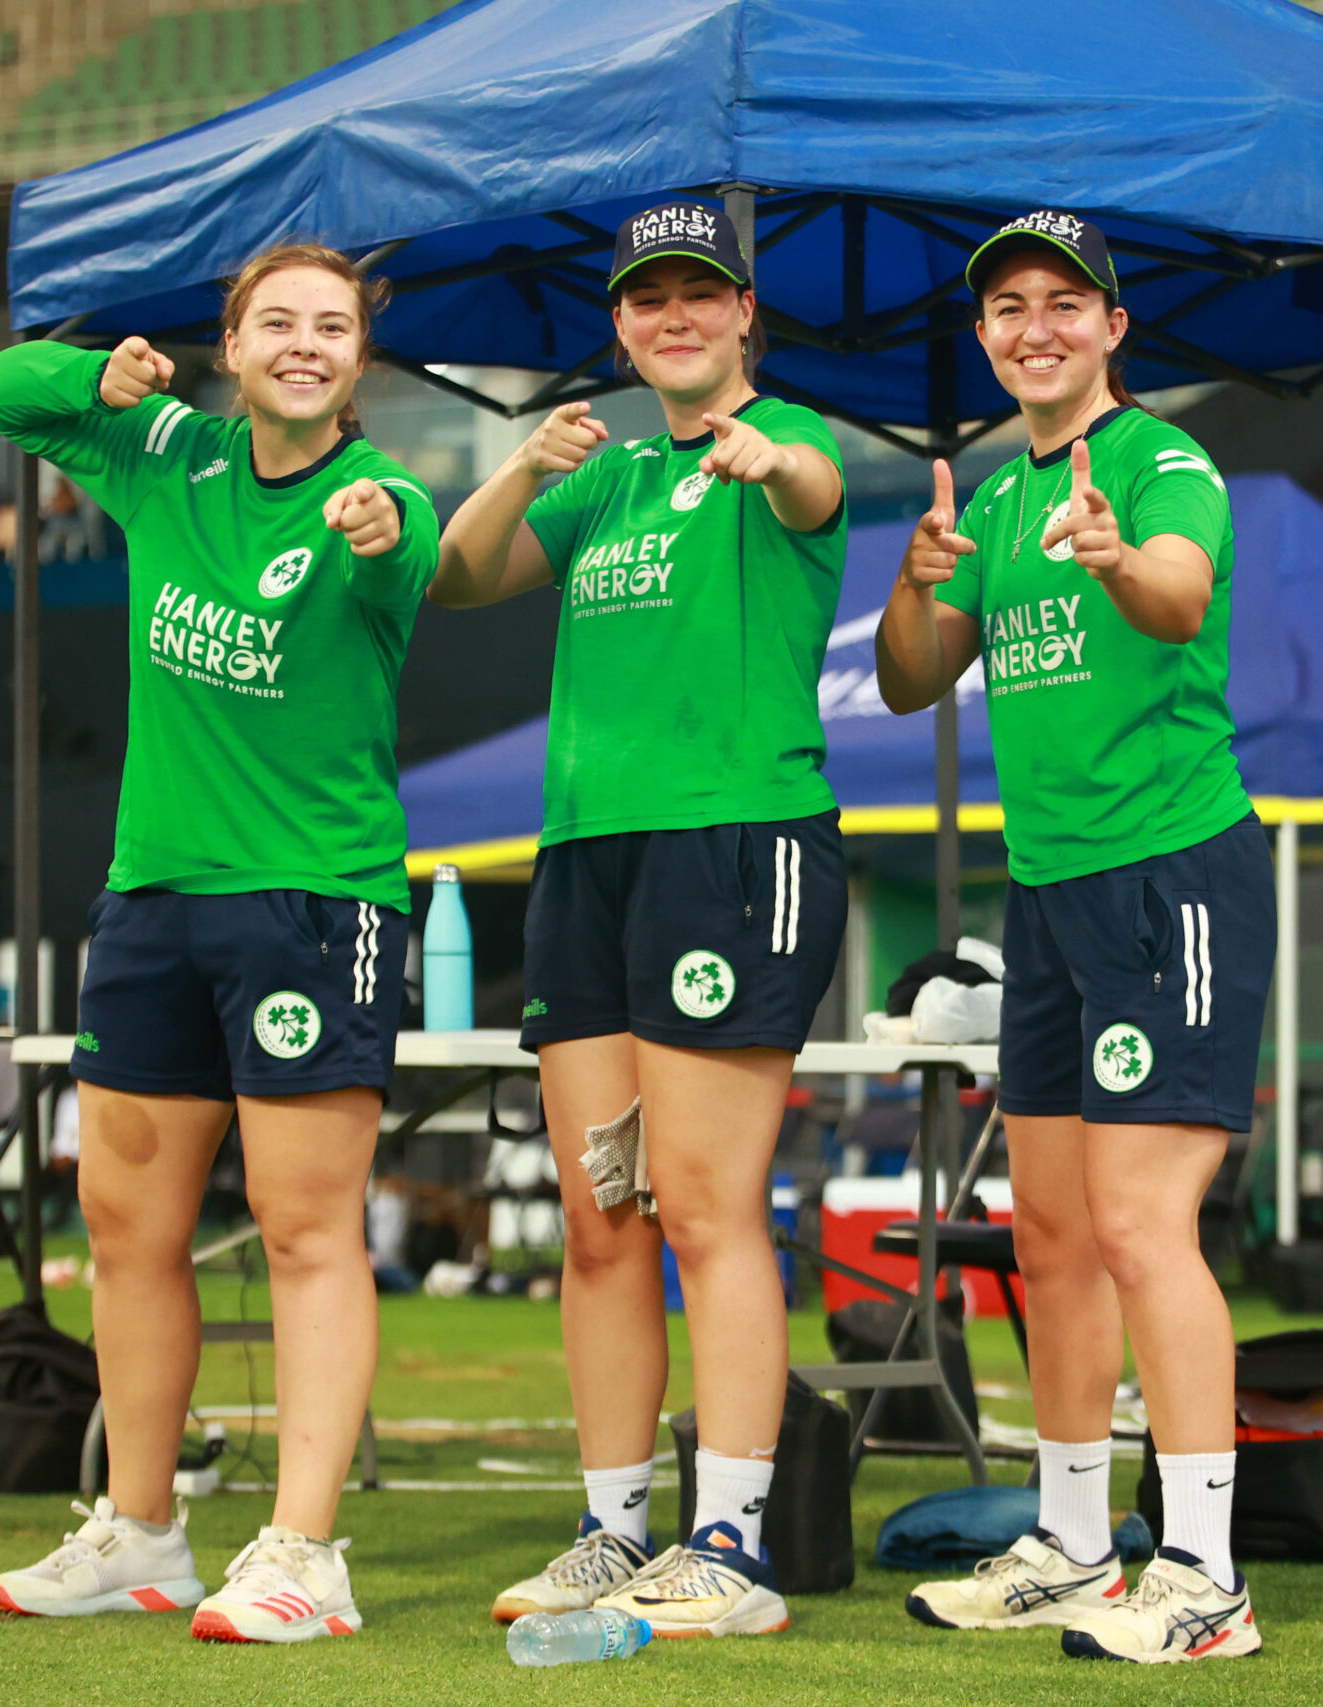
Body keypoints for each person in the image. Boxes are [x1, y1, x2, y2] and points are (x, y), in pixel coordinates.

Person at [0, 241, 440, 1644]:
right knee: (126, 1229)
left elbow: (402, 560)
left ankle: (304, 1550)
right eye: (277, 323)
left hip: (312, 900)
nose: (305, 344)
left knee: (307, 1232)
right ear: (230, 347)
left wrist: (377, 536)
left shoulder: (388, 500)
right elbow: (5, 391)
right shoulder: (165, 454)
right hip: (152, 896)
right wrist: (93, 370)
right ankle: (145, 1532)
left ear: (360, 360)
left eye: (333, 327)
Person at [432, 201, 848, 1640]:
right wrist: (513, 472)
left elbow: (806, 490)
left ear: (745, 315)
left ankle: (727, 1544)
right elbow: (453, 577)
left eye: (700, 296)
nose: (674, 317)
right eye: (647, 300)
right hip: (584, 858)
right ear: (619, 325)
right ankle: (613, 1529)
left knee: (706, 1209)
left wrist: (762, 454)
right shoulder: (599, 477)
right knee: (602, 1221)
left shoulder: (787, 441)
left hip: (730, 844)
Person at [875, 211, 1273, 1663]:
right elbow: (915, 681)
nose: (1032, 327)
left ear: (1114, 326)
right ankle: (1075, 1540)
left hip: (1170, 881)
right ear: (985, 338)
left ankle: (1207, 1576)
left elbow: (1177, 597)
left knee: (1137, 1224)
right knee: (1047, 1235)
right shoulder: (985, 501)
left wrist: (1110, 555)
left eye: (1062, 304)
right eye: (1007, 310)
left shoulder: (1163, 464)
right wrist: (918, 583)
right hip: (1044, 896)